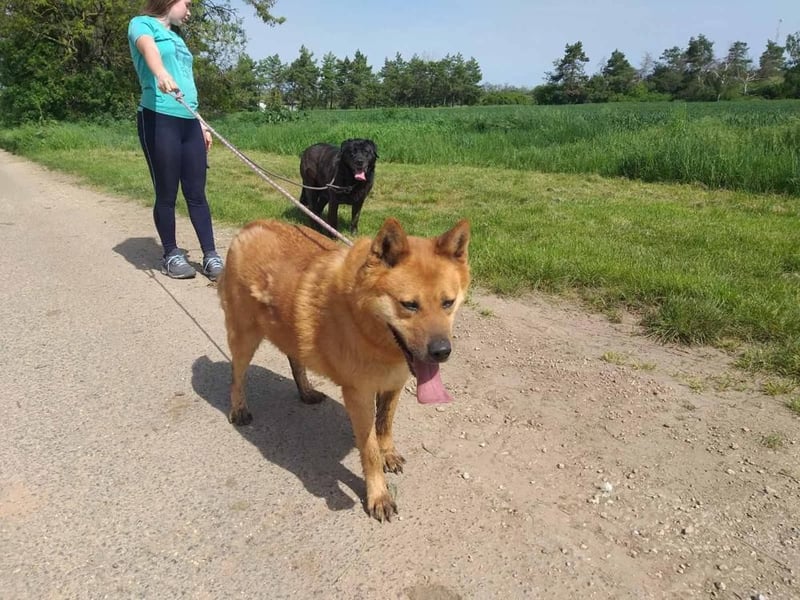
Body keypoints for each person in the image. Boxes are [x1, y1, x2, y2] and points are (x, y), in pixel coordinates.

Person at [128, 0, 223, 280]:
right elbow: (148, 49)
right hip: (158, 116)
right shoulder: (141, 24)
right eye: (188, 4)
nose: (190, 12)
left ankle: (211, 256)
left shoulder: (179, 37)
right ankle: (170, 253)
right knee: (167, 192)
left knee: (197, 192)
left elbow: (187, 80)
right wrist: (160, 74)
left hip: (189, 120)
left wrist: (202, 123)